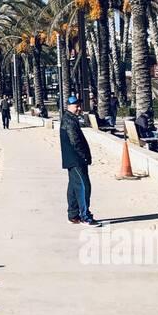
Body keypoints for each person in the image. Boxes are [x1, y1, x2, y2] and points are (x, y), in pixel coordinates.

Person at [60, 95, 98, 226]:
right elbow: (75, 141)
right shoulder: (69, 121)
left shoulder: (69, 119)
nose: (79, 108)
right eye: (76, 106)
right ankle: (85, 216)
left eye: (79, 106)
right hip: (76, 160)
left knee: (73, 187)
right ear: (69, 106)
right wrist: (84, 156)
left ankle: (73, 215)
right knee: (84, 187)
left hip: (72, 160)